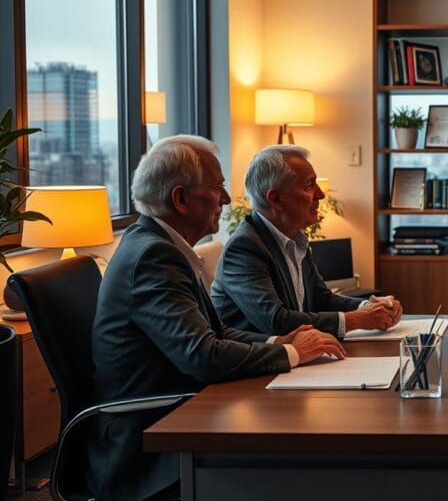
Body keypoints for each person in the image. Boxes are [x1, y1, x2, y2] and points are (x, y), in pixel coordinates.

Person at [90, 136, 346, 501]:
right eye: (218, 187)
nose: (227, 199)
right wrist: (293, 354)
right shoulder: (154, 257)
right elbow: (202, 355)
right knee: (297, 465)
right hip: (150, 447)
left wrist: (280, 343)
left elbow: (217, 333)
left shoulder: (161, 247)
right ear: (180, 199)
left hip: (183, 414)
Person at [212, 145, 402, 337]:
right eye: (310, 185)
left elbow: (321, 299)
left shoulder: (295, 238)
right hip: (259, 362)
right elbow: (276, 321)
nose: (321, 194)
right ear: (276, 199)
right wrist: (359, 319)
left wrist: (369, 306)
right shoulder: (244, 248)